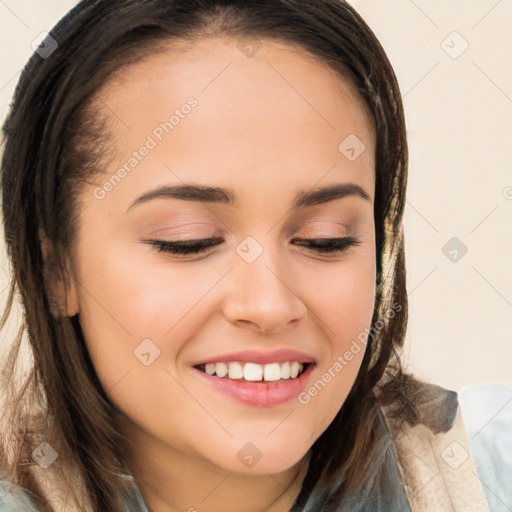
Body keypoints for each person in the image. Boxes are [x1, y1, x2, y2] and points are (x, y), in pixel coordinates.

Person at [0, 1, 509, 511]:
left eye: (325, 239)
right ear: (55, 268)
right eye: (189, 241)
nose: (268, 305)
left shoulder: (489, 469)